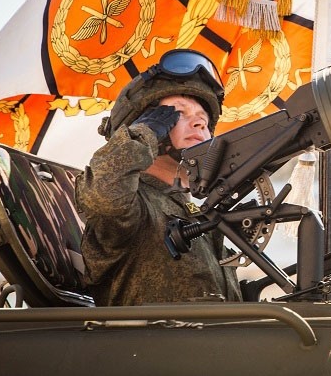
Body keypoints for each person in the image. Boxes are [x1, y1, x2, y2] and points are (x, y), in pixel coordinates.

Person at [77, 49, 241, 306]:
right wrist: (142, 133)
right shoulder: (133, 209)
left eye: (203, 119)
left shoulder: (197, 213)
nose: (199, 124)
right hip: (153, 334)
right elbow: (103, 194)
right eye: (178, 114)